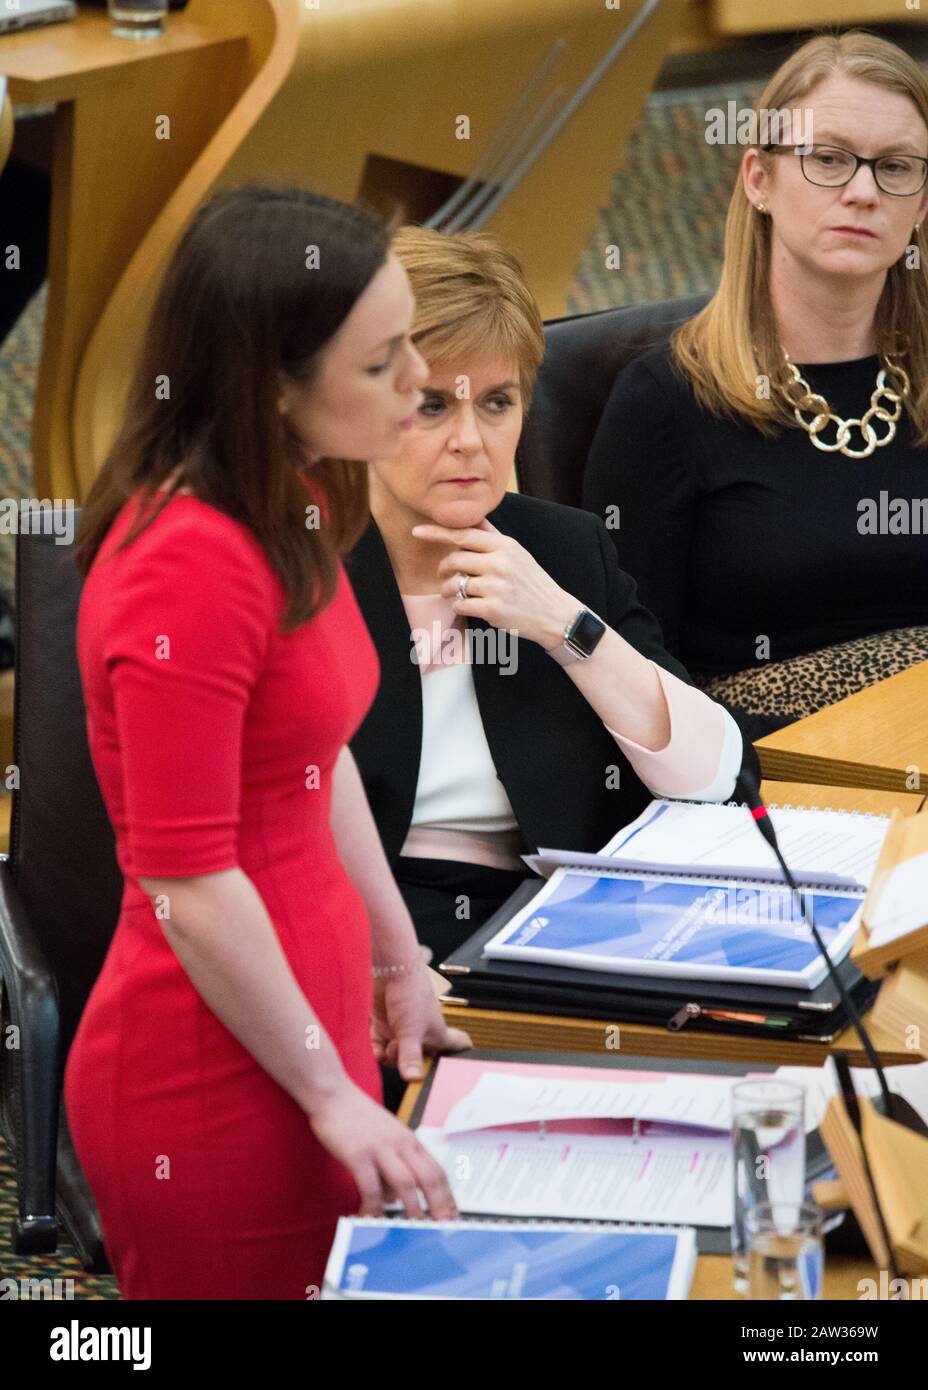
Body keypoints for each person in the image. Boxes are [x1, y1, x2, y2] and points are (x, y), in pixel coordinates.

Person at [64, 184, 471, 1301]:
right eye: (383, 363)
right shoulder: (182, 568)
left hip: (311, 1017)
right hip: (211, 1069)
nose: (418, 385)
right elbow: (188, 883)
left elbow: (316, 753)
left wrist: (397, 961)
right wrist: (327, 1094)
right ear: (272, 384)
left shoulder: (286, 497)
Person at [346, 226, 760, 968]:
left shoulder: (562, 549)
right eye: (433, 406)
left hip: (555, 922)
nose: (471, 440)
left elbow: (722, 779)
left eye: (497, 403)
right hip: (366, 929)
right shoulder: (295, 573)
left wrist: (567, 627)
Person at [582, 30, 928, 738]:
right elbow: (629, 665)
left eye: (896, 167)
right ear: (759, 180)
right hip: (772, 775)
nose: (863, 191)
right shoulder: (666, 401)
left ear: (922, 206)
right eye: (828, 159)